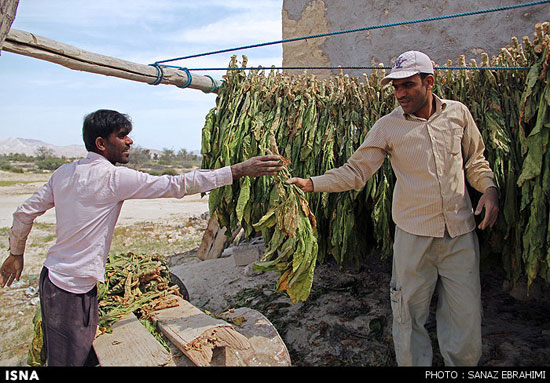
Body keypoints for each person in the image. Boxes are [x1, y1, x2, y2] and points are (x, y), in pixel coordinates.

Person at [0, 109, 283, 366]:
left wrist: (16, 253)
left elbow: (24, 212)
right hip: (69, 288)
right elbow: (177, 185)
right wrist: (237, 171)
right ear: (101, 143)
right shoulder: (113, 178)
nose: (130, 142)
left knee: (79, 354)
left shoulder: (64, 172)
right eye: (122, 136)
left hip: (58, 279)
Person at [286, 51, 499, 366]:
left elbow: (475, 161)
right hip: (414, 237)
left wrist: (490, 190)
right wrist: (312, 183)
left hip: (460, 234)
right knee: (408, 313)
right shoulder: (388, 126)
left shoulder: (458, 114)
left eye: (408, 86)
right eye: (395, 87)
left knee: (465, 315)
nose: (400, 94)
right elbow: (356, 171)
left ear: (429, 82)